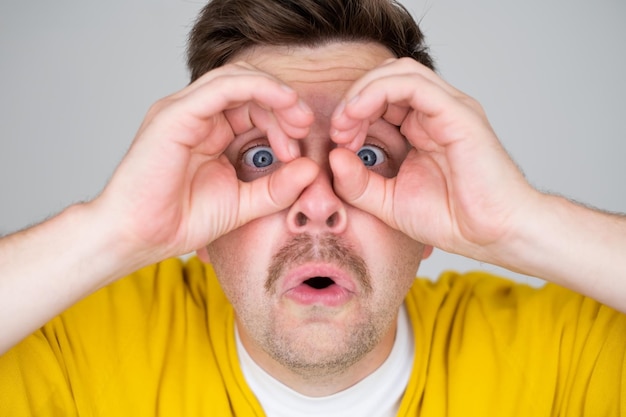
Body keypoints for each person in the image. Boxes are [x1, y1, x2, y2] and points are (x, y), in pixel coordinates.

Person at [0, 0, 625, 415]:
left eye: (371, 157)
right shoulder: (71, 349)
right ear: (196, 222)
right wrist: (115, 232)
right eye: (263, 159)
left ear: (431, 216)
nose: (319, 206)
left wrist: (519, 224)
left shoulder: (565, 353)